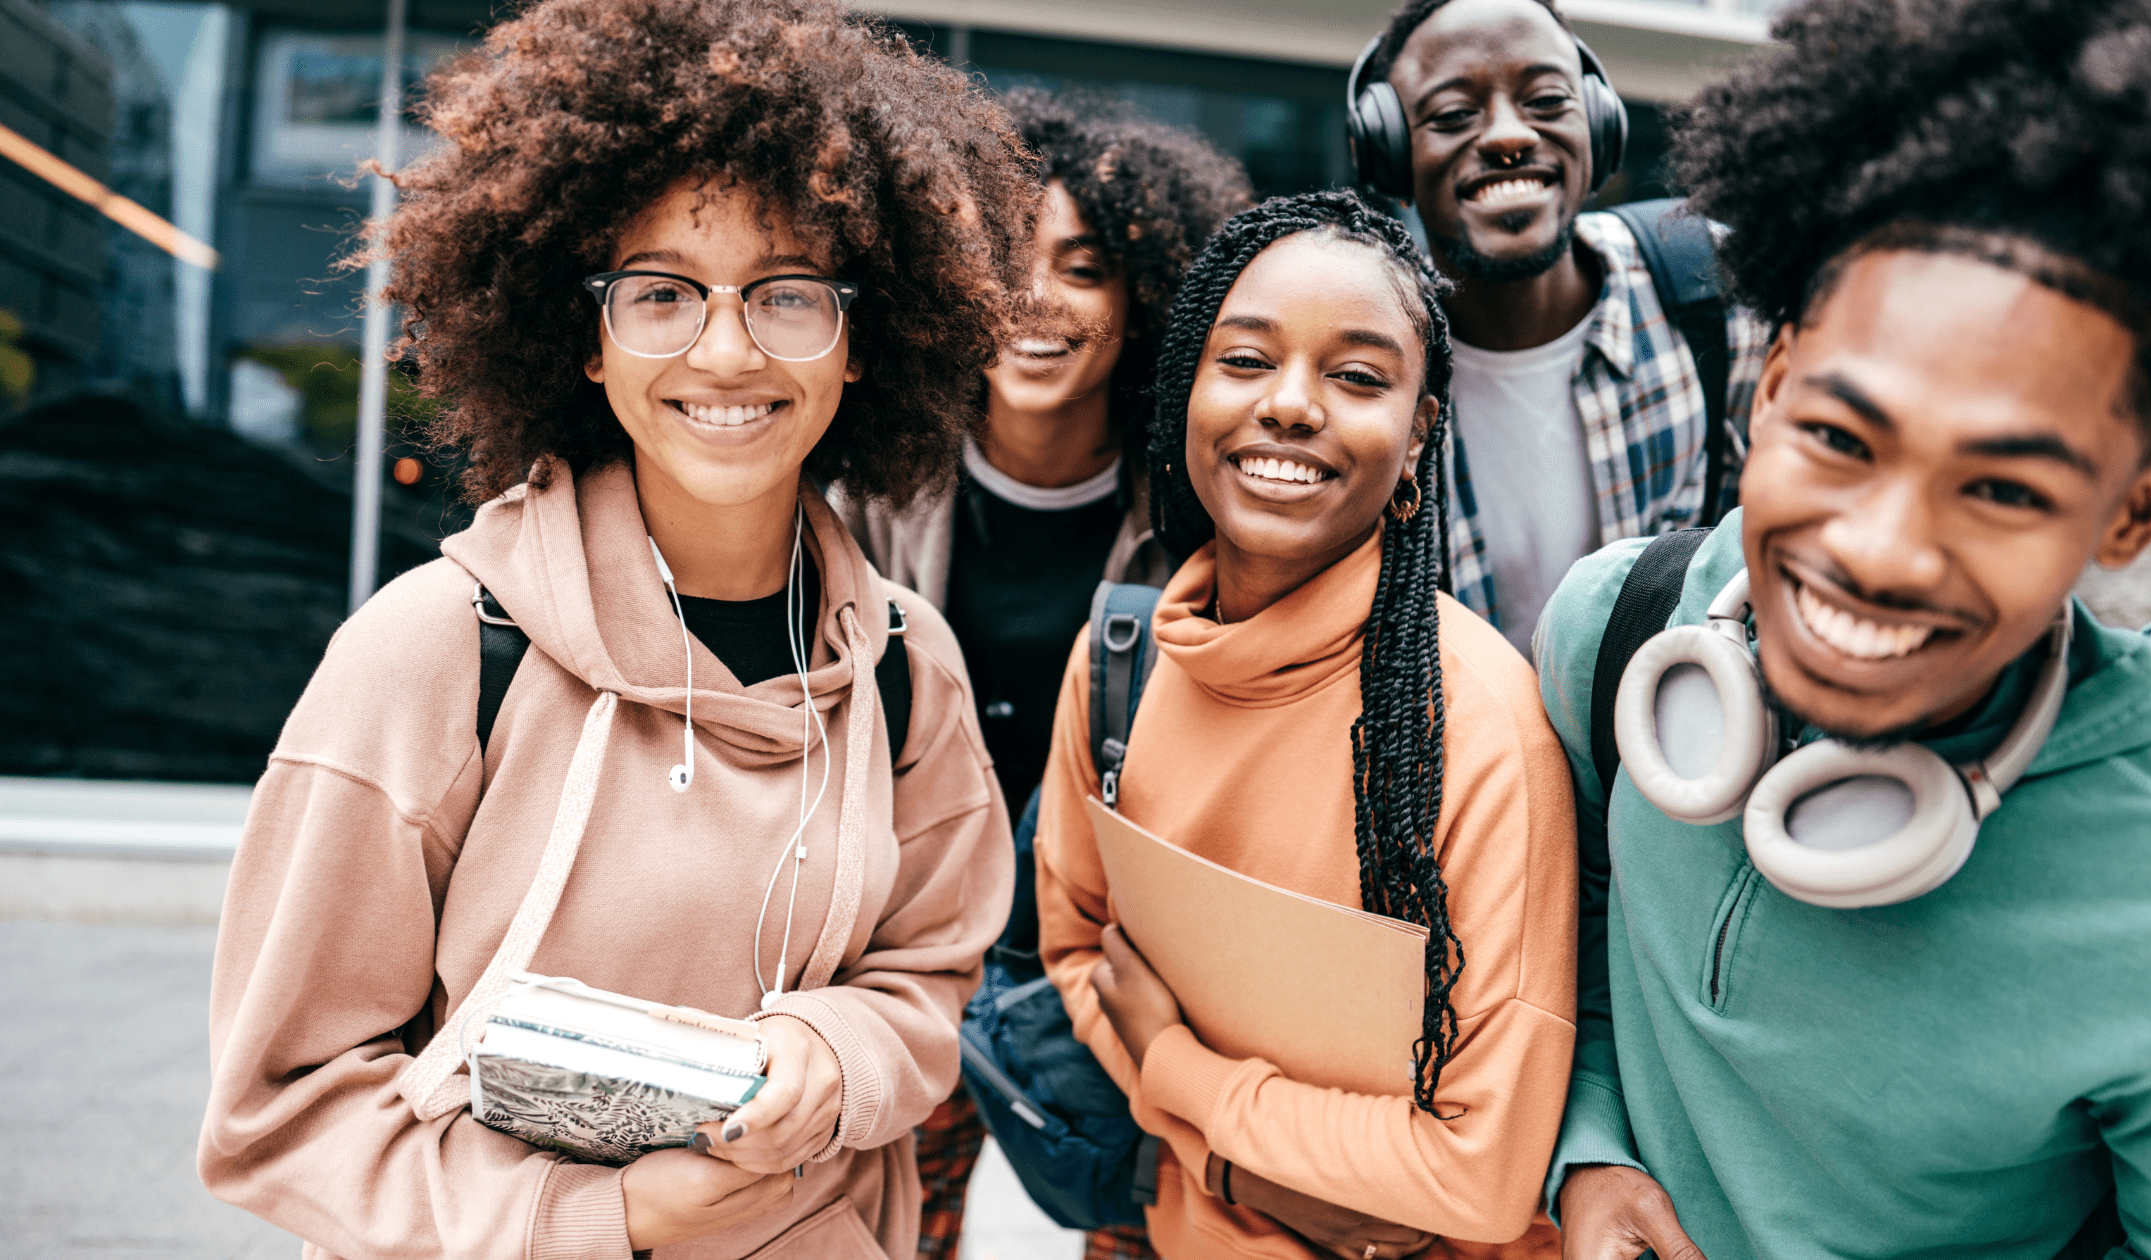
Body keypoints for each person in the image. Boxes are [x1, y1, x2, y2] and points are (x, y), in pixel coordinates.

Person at [195, 2, 1029, 1256]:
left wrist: (829, 1047)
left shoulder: (906, 666)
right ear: (586, 339)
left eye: (789, 294)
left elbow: (927, 976)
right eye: (661, 293)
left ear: (862, 340)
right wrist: (606, 1211)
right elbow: (280, 1110)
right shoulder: (437, 651)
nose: (728, 348)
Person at [1534, 1, 2151, 1256]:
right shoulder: (1610, 632)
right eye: (1839, 438)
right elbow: (1570, 916)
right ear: (1773, 381)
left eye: (2003, 489)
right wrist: (1586, 1144)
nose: (1875, 552)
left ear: (2133, 511)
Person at [1035, 189, 1578, 1260]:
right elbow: (1072, 946)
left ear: (1419, 431)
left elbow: (1479, 1179)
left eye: (1357, 377)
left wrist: (1185, 1082)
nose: (1288, 405)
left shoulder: (1475, 730)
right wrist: (1226, 1166)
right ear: (1184, 389)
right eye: (1243, 361)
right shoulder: (1122, 660)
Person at [837, 88, 1250, 1260]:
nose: (1036, 298)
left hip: (1115, 954)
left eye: (1081, 267)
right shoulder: (866, 482)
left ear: (1141, 304)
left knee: (1140, 1229)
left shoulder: (1196, 508)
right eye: (1003, 259)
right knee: (889, 1232)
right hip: (907, 939)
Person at [1353, 0, 1772, 652]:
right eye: (1454, 114)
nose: (1507, 137)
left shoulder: (1719, 291)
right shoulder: (1362, 369)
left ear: (1598, 123)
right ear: (1390, 153)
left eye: (1547, 100)